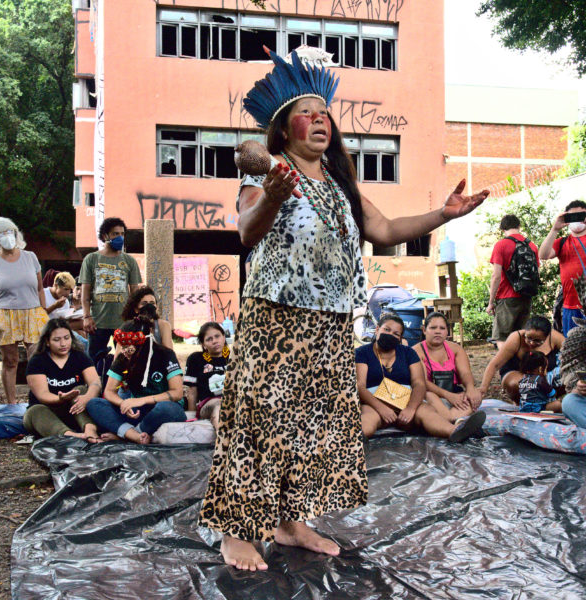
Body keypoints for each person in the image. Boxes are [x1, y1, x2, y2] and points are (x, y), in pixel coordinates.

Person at [198, 48, 490, 571]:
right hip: (276, 318)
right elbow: (246, 230)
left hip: (331, 323)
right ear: (284, 128)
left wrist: (442, 216)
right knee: (259, 420)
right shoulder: (272, 173)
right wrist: (271, 194)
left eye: (325, 113)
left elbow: (385, 230)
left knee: (312, 424)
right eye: (307, 113)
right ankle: (235, 528)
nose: (320, 121)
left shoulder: (339, 186)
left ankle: (289, 521)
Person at [356, 314, 485, 441]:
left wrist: (411, 409)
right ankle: (354, 439)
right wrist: (381, 408)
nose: (390, 335)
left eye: (396, 333)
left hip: (405, 399)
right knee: (369, 416)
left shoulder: (408, 353)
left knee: (426, 412)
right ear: (377, 329)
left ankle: (455, 431)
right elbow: (360, 386)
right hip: (374, 401)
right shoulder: (362, 352)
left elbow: (419, 383)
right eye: (386, 330)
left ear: (400, 338)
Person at [86, 313, 185, 444]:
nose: (125, 351)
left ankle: (128, 434)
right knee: (94, 404)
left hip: (162, 409)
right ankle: (133, 435)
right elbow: (109, 391)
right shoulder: (123, 357)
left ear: (143, 343)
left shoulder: (165, 354)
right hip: (137, 411)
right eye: (123, 346)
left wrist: (141, 401)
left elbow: (177, 393)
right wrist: (123, 404)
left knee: (167, 408)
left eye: (130, 347)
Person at [0, 217, 48, 404]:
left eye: (9, 232)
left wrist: (43, 312)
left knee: (36, 357)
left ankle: (40, 398)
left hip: (32, 312)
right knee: (10, 360)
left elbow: (39, 288)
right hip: (5, 314)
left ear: (16, 233)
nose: (6, 237)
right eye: (1, 234)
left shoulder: (31, 257)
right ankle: (11, 402)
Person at [24, 318, 102, 441]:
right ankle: (72, 436)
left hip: (75, 411)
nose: (63, 344)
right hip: (47, 413)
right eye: (57, 340)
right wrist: (60, 399)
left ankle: (90, 429)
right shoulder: (37, 361)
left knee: (81, 389)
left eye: (66, 338)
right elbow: (42, 394)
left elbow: (95, 382)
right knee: (35, 410)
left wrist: (87, 397)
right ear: (47, 342)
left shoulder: (80, 356)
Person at [79, 217, 142, 362]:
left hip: (123, 321)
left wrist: (135, 317)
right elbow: (86, 290)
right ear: (104, 236)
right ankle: (93, 384)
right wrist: (87, 316)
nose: (120, 237)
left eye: (122, 234)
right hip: (97, 322)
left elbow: (135, 291)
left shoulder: (129, 261)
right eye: (115, 234)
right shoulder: (91, 259)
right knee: (93, 359)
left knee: (126, 359)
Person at [412, 312, 482, 423]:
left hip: (453, 392)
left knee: (472, 396)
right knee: (429, 395)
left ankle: (451, 419)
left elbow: (465, 374)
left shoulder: (456, 349)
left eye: (442, 328)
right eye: (433, 328)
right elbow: (422, 382)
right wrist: (448, 396)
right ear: (424, 330)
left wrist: (470, 388)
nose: (438, 331)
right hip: (429, 395)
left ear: (447, 331)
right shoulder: (416, 351)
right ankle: (453, 421)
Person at [479, 315, 564, 402]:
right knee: (521, 384)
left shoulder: (555, 337)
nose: (531, 343)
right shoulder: (516, 338)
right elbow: (495, 365)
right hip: (518, 374)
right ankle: (522, 402)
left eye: (537, 341)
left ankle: (547, 401)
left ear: (546, 337)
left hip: (547, 377)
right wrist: (483, 388)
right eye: (528, 338)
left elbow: (574, 354)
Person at [486, 215, 540, 349]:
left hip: (506, 298)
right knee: (523, 336)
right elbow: (537, 272)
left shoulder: (501, 245)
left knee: (502, 337)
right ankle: (520, 367)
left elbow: (496, 276)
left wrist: (491, 302)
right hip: (526, 296)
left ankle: (507, 367)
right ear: (518, 226)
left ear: (502, 228)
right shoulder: (532, 246)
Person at [539, 200, 586, 336]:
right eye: (572, 216)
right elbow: (543, 255)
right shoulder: (562, 242)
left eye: (580, 215)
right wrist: (555, 229)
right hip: (570, 307)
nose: (576, 220)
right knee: (572, 351)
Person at [183, 322, 229, 429]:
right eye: (209, 339)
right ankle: (223, 444)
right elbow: (192, 391)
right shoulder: (195, 359)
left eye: (217, 336)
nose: (214, 341)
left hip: (233, 400)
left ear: (223, 337)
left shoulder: (234, 357)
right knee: (219, 405)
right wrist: (191, 415)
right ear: (203, 344)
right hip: (208, 404)